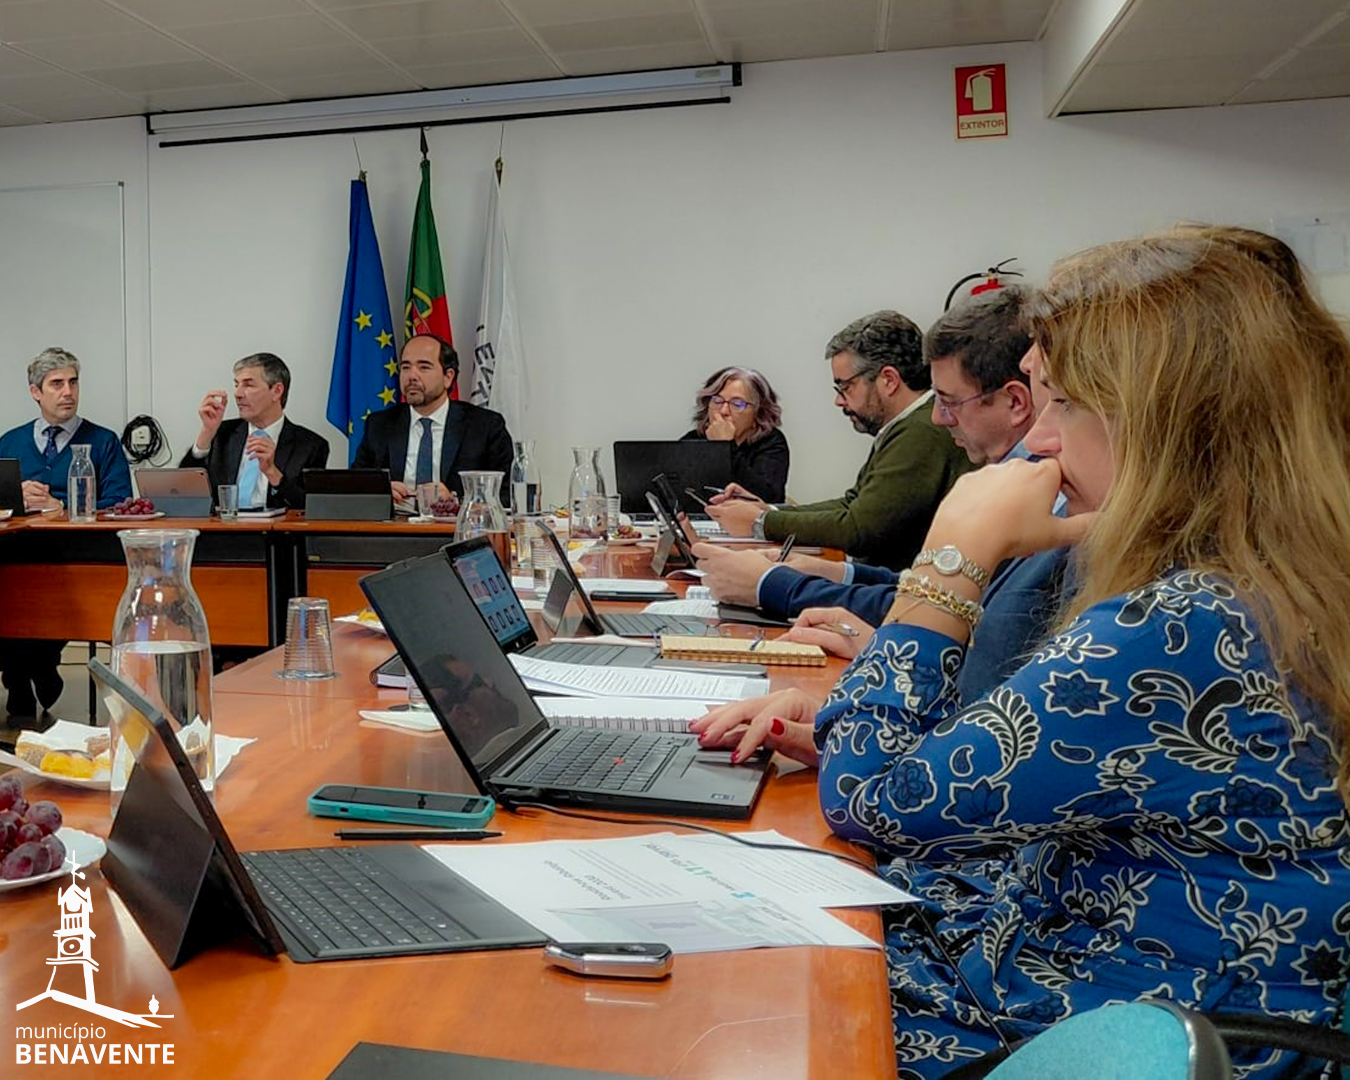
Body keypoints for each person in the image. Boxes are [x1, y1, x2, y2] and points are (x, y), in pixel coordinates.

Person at [811, 229, 1350, 1077]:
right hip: (1136, 990)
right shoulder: (1280, 582)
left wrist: (951, 558)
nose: (1041, 442)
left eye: (1060, 403)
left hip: (1086, 1028)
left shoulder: (1189, 623)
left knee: (757, 1002)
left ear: (1162, 420)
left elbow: (866, 800)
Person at [696, 288, 1066, 701]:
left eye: (1063, 402)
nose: (938, 418)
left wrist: (775, 577)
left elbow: (866, 530)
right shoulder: (1001, 470)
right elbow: (920, 590)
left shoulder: (941, 445)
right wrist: (834, 574)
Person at [706, 311, 972, 570]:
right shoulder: (906, 425)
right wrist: (769, 511)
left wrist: (761, 522)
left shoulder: (919, 432)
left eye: (845, 387)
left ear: (889, 380)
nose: (839, 400)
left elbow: (858, 528)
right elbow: (851, 503)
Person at [0, 347, 132, 716]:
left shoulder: (103, 441)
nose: (68, 392)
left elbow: (120, 503)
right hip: (16, 552)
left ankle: (33, 667)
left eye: (73, 382)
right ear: (35, 392)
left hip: (78, 554)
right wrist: (16, 497)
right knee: (10, 587)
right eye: (56, 384)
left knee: (50, 588)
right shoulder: (10, 442)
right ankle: (24, 671)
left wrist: (62, 508)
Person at [354, 333, 513, 505]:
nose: (412, 376)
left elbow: (507, 496)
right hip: (396, 521)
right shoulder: (379, 425)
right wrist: (379, 492)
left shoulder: (485, 426)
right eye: (406, 367)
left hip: (455, 522)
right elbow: (354, 487)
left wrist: (454, 501)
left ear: (448, 377)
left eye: (424, 367)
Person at [183, 352, 329, 510]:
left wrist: (272, 473)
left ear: (276, 391)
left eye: (248, 385)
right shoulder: (221, 434)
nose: (238, 394)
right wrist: (206, 434)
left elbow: (311, 507)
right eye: (236, 385)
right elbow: (183, 492)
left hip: (277, 526)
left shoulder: (310, 446)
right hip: (223, 525)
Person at [680, 367, 789, 502]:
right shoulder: (693, 440)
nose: (724, 411)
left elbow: (767, 499)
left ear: (758, 411)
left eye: (737, 404)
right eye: (717, 401)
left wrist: (725, 446)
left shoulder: (771, 442)